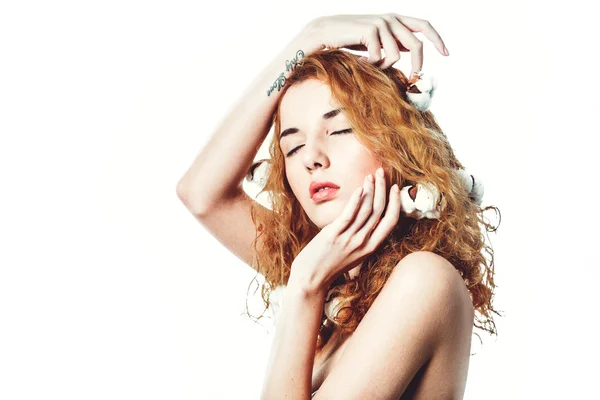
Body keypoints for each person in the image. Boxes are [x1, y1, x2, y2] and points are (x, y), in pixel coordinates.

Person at [176, 13, 501, 399]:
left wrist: (305, 285)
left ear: (400, 145)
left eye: (341, 129)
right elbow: (200, 194)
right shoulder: (335, 283)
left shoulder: (423, 280)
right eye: (292, 146)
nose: (311, 158)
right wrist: (307, 39)